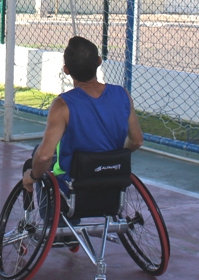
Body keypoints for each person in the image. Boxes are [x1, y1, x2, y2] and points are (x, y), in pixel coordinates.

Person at [22, 36, 142, 195]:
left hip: (73, 184)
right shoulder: (123, 95)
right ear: (99, 61)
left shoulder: (62, 105)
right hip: (113, 179)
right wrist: (110, 160)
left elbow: (44, 157)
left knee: (39, 153)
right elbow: (137, 140)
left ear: (66, 70)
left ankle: (50, 218)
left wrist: (32, 176)